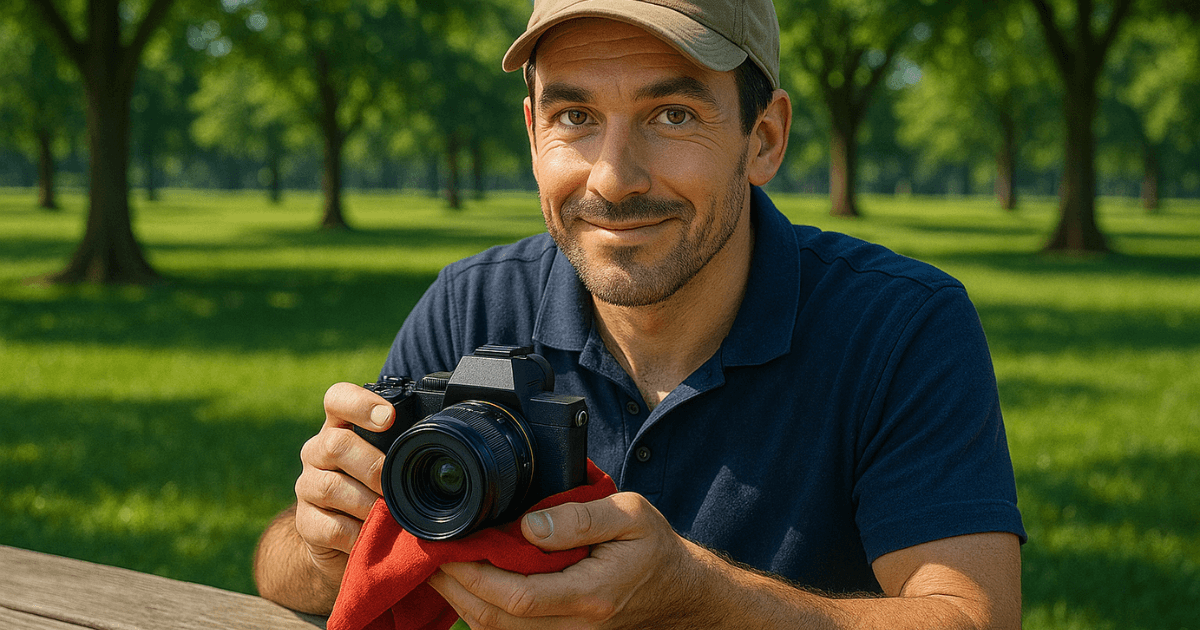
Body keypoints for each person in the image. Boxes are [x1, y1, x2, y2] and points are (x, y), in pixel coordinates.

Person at [254, 0, 1027, 627]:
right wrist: (324, 546)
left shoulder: (899, 326)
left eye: (673, 116)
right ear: (532, 134)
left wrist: (701, 600)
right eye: (576, 117)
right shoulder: (473, 304)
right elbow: (279, 571)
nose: (614, 178)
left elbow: (970, 617)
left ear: (764, 139)